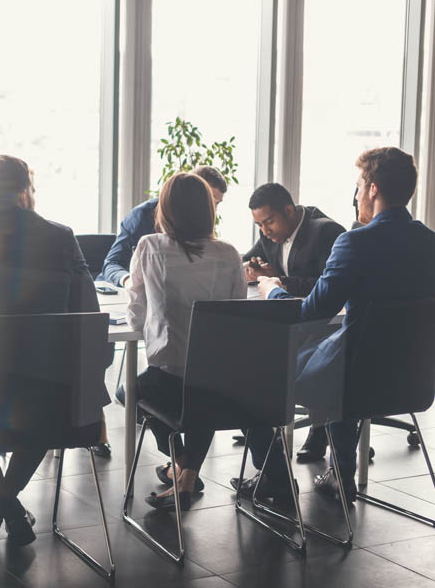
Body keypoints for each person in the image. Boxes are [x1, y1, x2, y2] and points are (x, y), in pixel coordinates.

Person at [0, 155, 112, 547]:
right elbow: (86, 308)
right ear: (25, 189)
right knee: (41, 421)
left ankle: (2, 504)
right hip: (46, 385)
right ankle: (7, 507)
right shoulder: (61, 235)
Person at [236, 147, 435, 503]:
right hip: (411, 378)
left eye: (359, 186)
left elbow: (312, 312)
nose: (356, 194)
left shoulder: (354, 243)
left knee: (256, 372)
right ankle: (340, 473)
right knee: (349, 353)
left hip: (351, 380)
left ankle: (276, 478)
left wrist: (273, 290)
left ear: (373, 189)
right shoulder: (429, 243)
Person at [125, 172, 247, 511]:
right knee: (202, 389)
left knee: (132, 393)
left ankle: (180, 462)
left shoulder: (150, 246)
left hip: (170, 379)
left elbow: (136, 314)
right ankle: (186, 476)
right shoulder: (229, 253)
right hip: (223, 384)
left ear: (166, 210)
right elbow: (239, 314)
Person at [102, 166, 228, 406]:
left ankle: (164, 427)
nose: (212, 208)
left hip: (169, 362)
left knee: (155, 385)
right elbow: (111, 263)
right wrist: (132, 281)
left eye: (217, 203)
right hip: (211, 371)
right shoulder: (145, 223)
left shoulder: (157, 245)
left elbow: (137, 320)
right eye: (209, 199)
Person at [241, 183, 346, 462]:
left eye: (269, 221)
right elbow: (246, 259)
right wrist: (252, 270)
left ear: (288, 210)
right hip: (287, 321)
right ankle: (260, 422)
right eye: (259, 225)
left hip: (325, 326)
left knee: (261, 360)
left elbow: (330, 285)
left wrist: (281, 282)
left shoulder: (326, 232)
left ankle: (318, 428)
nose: (264, 230)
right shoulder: (269, 235)